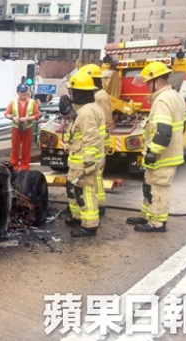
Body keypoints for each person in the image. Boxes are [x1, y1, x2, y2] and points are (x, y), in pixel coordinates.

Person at [126, 61, 185, 232]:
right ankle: (148, 215)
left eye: (147, 83)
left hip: (162, 156)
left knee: (159, 188)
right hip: (166, 154)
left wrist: (152, 152)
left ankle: (157, 223)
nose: (145, 86)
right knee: (150, 185)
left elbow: (163, 132)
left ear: (157, 82)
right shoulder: (174, 96)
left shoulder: (163, 100)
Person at [63, 72, 106, 237]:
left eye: (72, 92)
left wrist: (88, 162)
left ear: (80, 92)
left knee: (85, 191)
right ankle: (77, 217)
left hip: (83, 161)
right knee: (73, 188)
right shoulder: (89, 108)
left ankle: (89, 225)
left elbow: (90, 139)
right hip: (77, 160)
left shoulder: (87, 112)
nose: (70, 95)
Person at [79, 63, 113, 215]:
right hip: (98, 140)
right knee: (96, 176)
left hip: (99, 141)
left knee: (96, 175)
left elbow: (104, 121)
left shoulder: (100, 96)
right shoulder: (96, 95)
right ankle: (99, 203)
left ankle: (99, 205)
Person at [4, 83, 39, 171]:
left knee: (26, 148)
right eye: (21, 92)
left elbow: (37, 115)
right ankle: (14, 166)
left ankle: (25, 166)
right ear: (18, 92)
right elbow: (6, 114)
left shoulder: (32, 102)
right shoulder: (13, 102)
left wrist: (27, 118)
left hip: (27, 128)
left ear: (27, 92)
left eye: (25, 91)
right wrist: (13, 117)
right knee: (15, 148)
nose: (23, 93)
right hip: (16, 128)